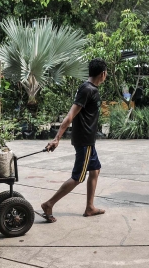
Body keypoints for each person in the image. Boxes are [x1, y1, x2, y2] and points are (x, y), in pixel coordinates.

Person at [40, 58, 107, 222]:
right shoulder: (87, 90)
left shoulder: (88, 88)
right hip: (84, 141)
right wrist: (56, 139)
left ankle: (90, 207)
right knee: (78, 177)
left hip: (87, 141)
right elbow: (70, 116)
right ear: (103, 74)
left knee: (95, 170)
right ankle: (49, 204)